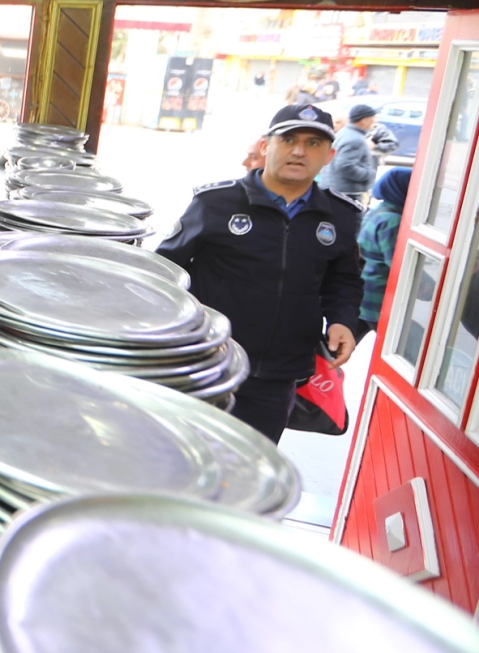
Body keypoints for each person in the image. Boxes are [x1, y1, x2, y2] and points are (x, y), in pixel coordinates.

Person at [156, 104, 364, 445]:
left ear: (329, 155)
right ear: (266, 146)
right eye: (289, 139)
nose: (299, 151)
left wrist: (342, 321)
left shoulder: (340, 216)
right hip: (207, 361)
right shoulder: (216, 203)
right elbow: (166, 270)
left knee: (250, 467)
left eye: (313, 143)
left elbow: (343, 279)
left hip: (279, 374)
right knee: (180, 455)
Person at [358, 167, 413, 341]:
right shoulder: (392, 221)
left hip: (364, 294)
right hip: (377, 299)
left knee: (337, 347)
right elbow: (399, 264)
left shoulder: (380, 210)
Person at [318, 104, 379, 203]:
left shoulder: (343, 133)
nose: (375, 122)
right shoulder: (355, 139)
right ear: (364, 120)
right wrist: (368, 174)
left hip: (333, 189)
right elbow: (345, 165)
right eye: (372, 119)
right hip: (345, 193)